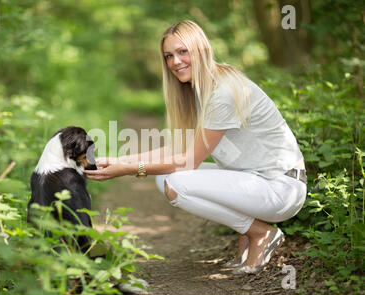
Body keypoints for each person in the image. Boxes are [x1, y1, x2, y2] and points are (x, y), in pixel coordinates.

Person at [84, 20, 307, 274]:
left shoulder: (223, 91)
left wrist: (130, 170)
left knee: (178, 183)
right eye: (169, 56)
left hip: (281, 187)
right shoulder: (202, 90)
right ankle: (248, 236)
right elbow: (177, 149)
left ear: (200, 49)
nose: (175, 62)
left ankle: (261, 233)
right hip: (253, 182)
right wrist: (121, 161)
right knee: (165, 178)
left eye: (182, 51)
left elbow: (190, 160)